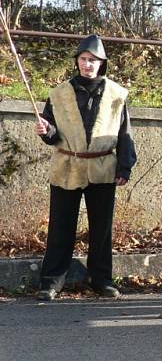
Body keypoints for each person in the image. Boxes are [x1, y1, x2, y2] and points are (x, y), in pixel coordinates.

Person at [34, 34, 137, 300]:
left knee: (101, 229)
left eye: (93, 60)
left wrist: (124, 167)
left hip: (103, 167)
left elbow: (125, 132)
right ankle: (51, 282)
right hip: (67, 166)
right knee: (60, 226)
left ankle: (102, 280)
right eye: (83, 59)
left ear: (101, 63)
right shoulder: (58, 94)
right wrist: (46, 131)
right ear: (77, 61)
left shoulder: (116, 95)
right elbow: (54, 135)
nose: (87, 64)